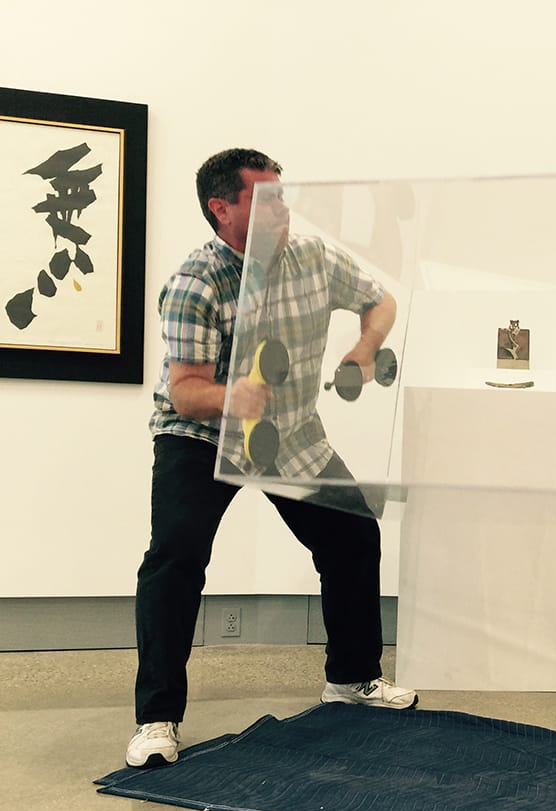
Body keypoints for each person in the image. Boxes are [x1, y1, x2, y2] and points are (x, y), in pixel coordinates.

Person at [128, 148, 418, 770]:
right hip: (200, 437)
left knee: (353, 533)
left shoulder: (311, 256)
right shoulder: (195, 283)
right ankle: (157, 720)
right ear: (222, 208)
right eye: (268, 199)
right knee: (175, 559)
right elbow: (185, 391)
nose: (284, 208)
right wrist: (234, 395)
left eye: (284, 196)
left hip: (288, 434)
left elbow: (382, 300)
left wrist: (365, 347)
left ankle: (351, 679)